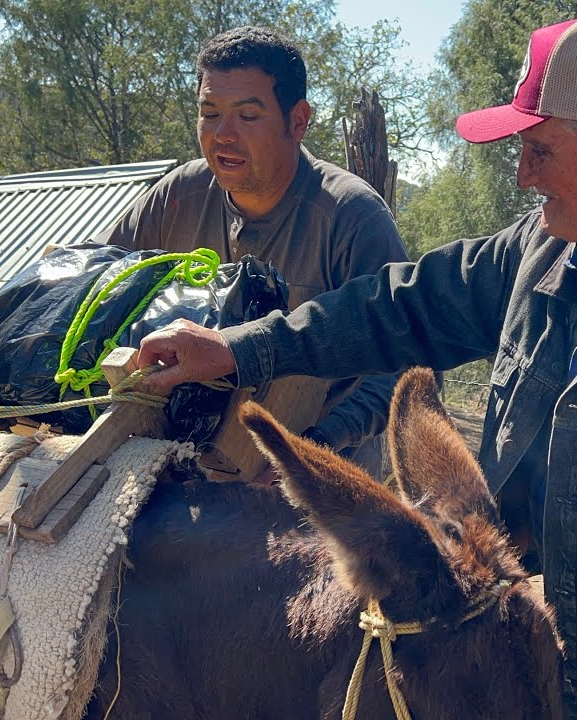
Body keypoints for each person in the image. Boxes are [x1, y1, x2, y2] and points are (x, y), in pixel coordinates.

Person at [137, 9, 577, 719]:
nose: (521, 174)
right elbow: (400, 306)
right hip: (522, 691)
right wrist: (243, 348)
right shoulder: (542, 250)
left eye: (540, 149)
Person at [94, 26, 407, 475]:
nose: (223, 135)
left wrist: (313, 445)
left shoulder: (352, 218)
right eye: (209, 113)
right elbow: (101, 281)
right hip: (187, 455)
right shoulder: (177, 195)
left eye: (247, 115)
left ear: (297, 121)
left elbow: (402, 364)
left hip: (323, 466)